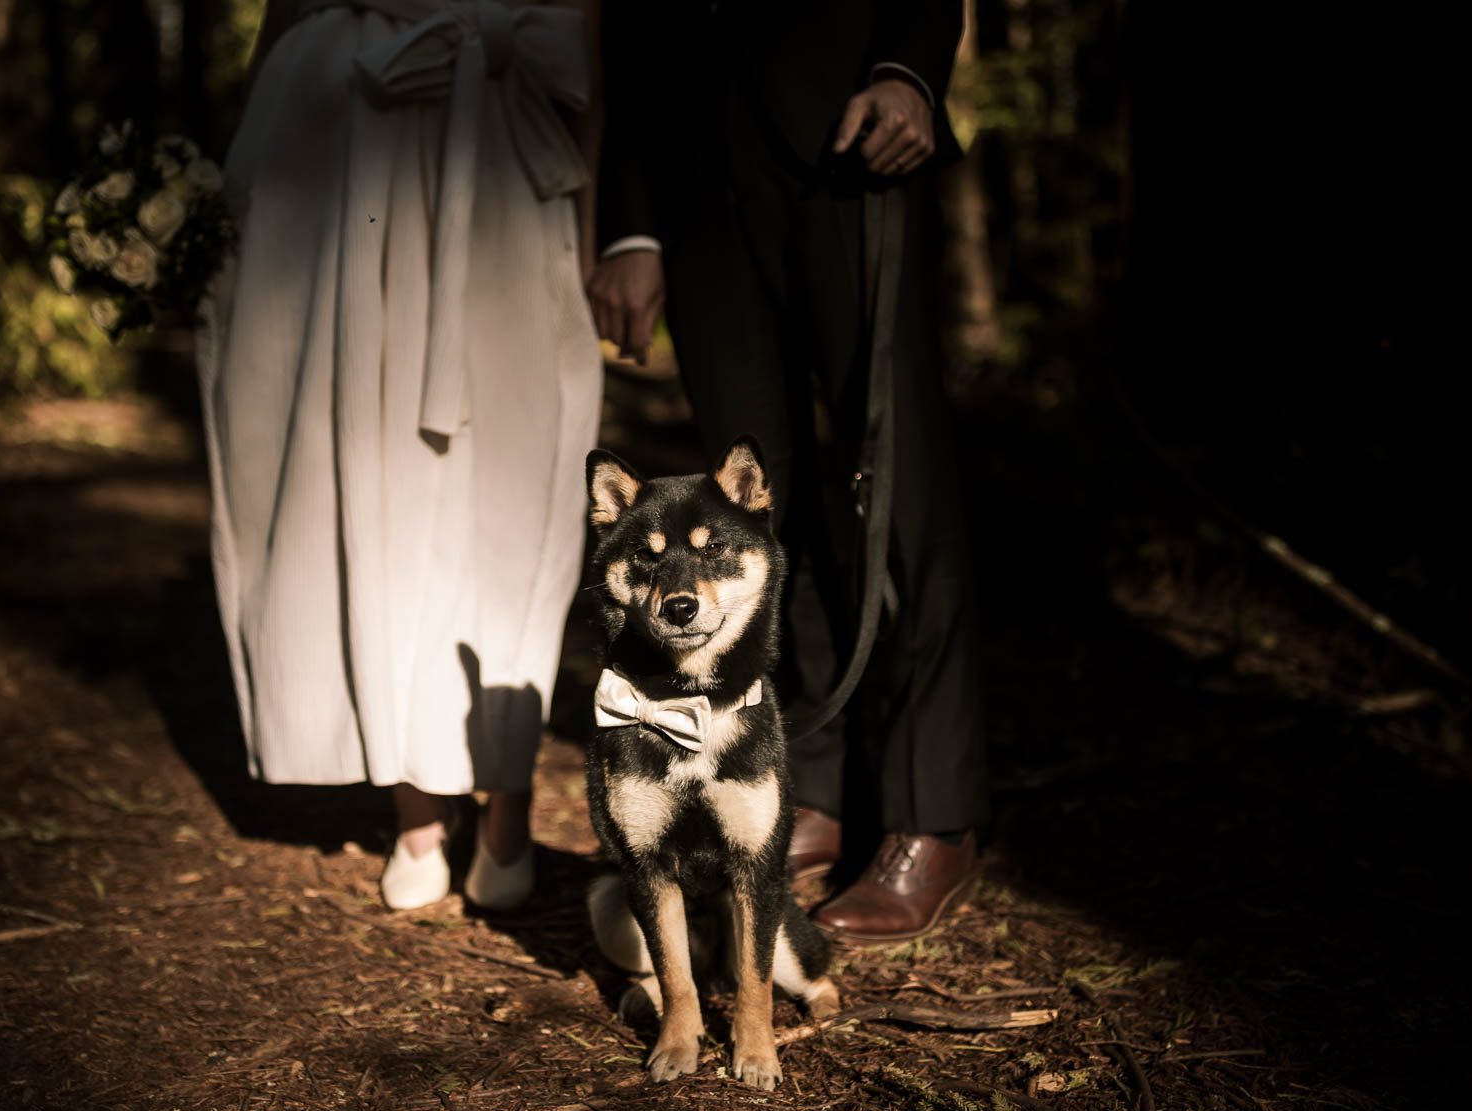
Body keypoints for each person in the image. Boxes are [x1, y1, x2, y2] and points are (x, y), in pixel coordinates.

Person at [589, 1, 987, 942]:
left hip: (852, 146)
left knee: (900, 488)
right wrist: (629, 229)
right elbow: (630, 38)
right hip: (696, 186)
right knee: (749, 518)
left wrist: (907, 70)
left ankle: (931, 810)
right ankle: (811, 780)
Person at [198, 0, 603, 910]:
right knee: (371, 471)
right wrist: (216, 209)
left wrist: (595, 234)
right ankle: (414, 805)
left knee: (511, 487)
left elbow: (583, 46)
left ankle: (506, 794)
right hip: (341, 158)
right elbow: (281, 21)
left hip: (501, 165)